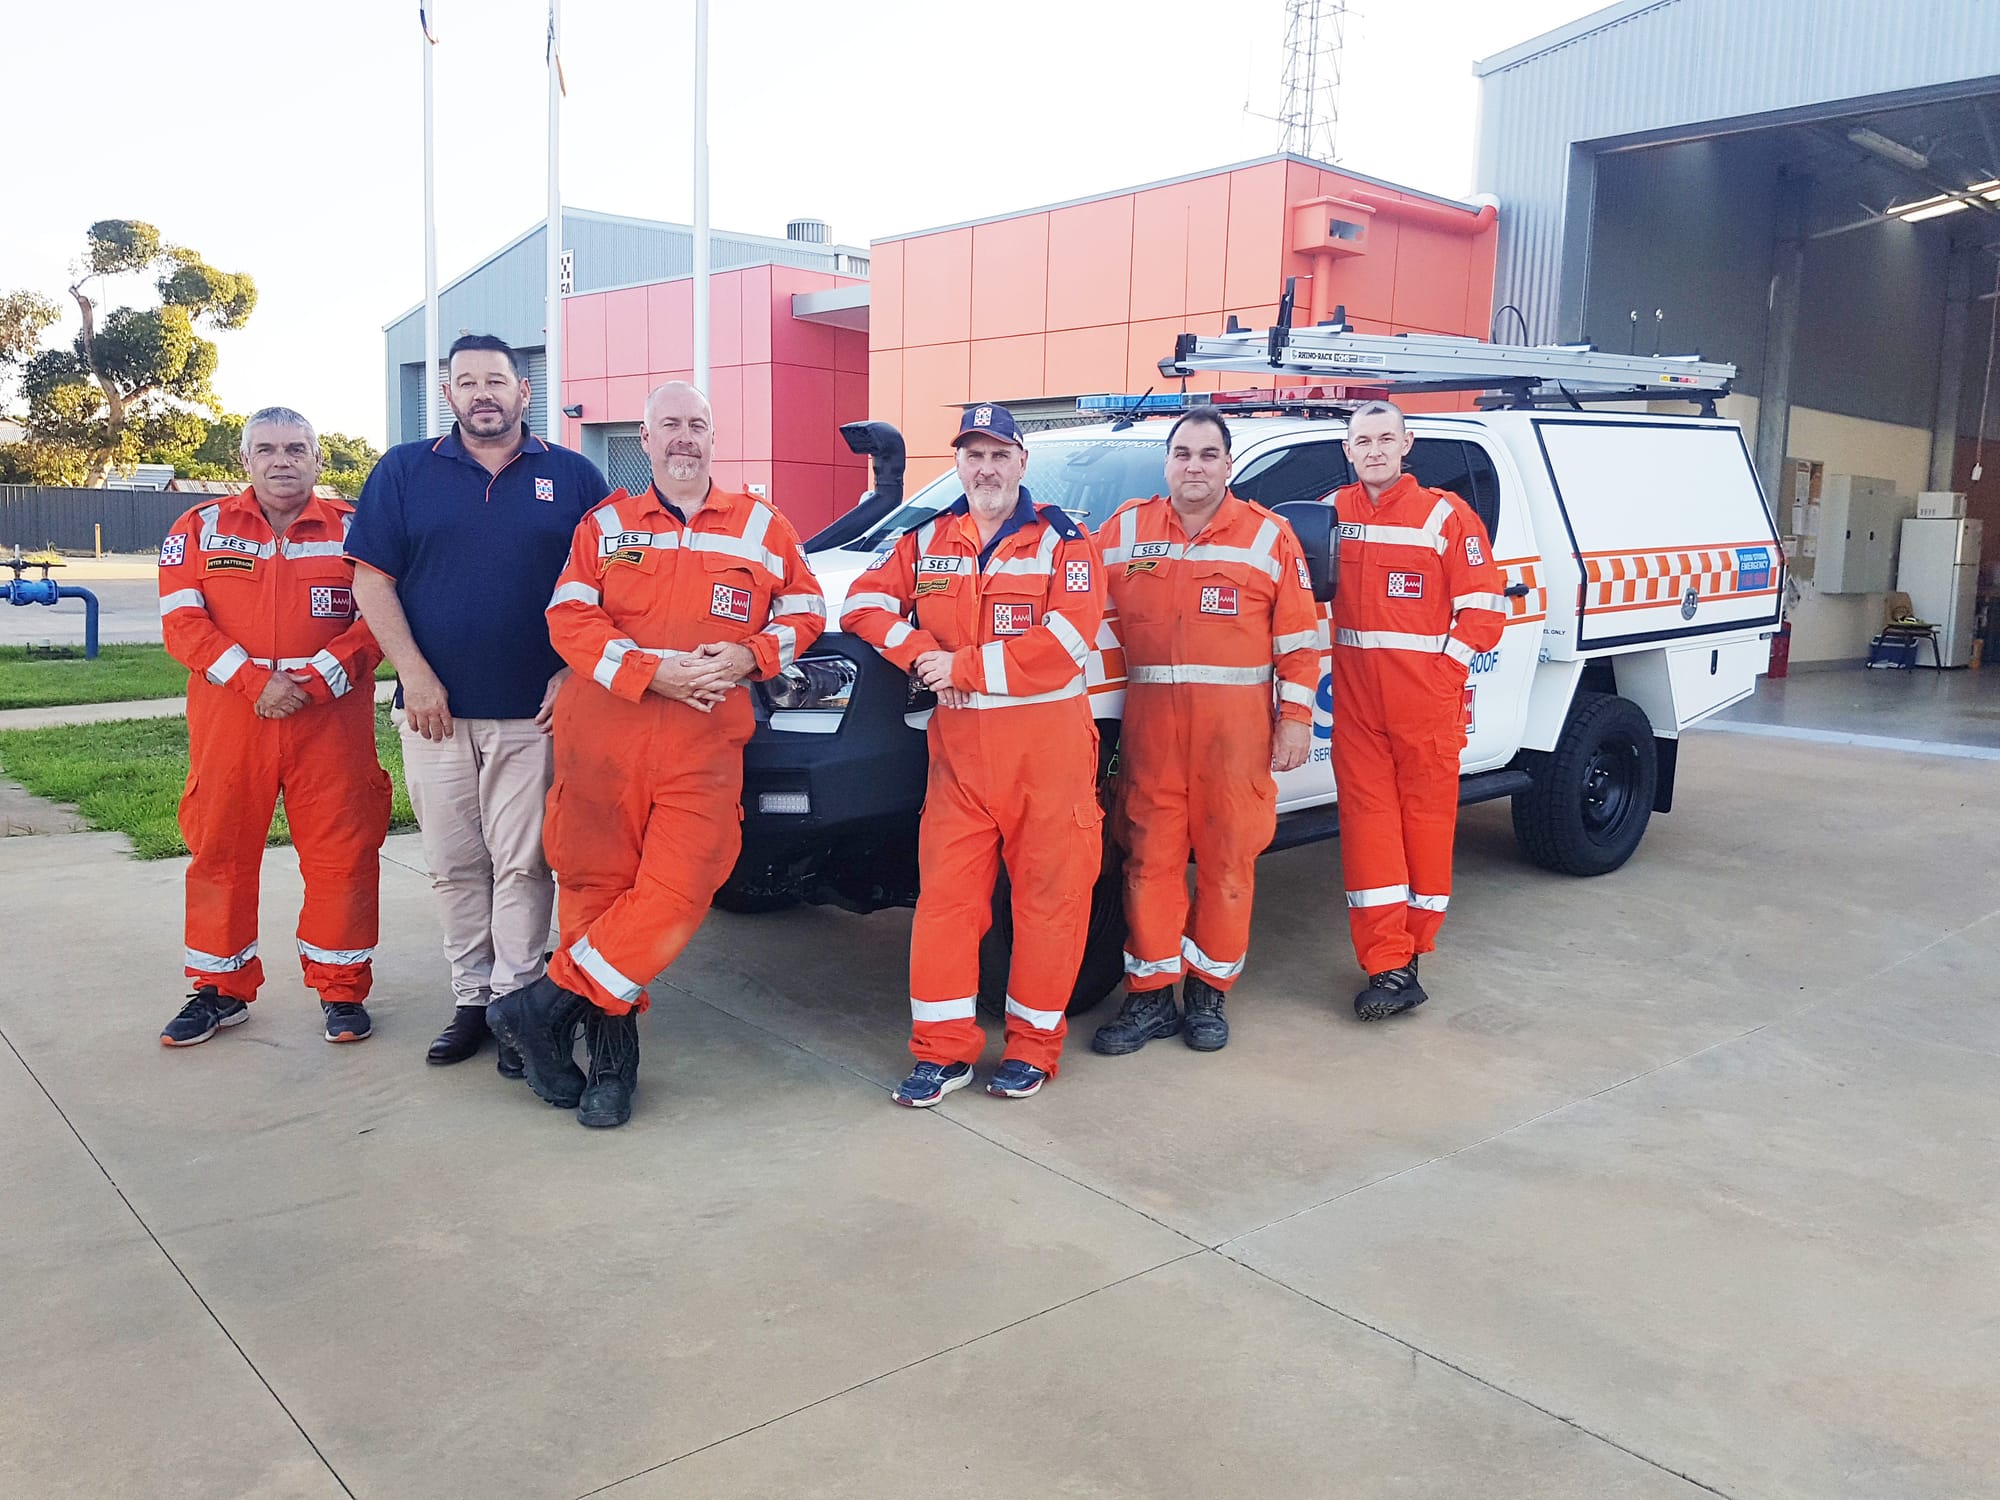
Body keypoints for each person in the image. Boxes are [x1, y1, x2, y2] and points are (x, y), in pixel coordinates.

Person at [486, 382, 825, 1128]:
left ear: (713, 438)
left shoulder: (761, 527)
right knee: (595, 899)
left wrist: (751, 657)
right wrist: (651, 671)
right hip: (603, 739)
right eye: (668, 424)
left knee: (681, 887)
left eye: (696, 425)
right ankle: (611, 1066)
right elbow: (568, 616)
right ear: (644, 439)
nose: (683, 438)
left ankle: (541, 1007)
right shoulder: (604, 524)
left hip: (702, 745)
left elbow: (806, 609)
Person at [347, 333, 611, 1076]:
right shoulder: (404, 472)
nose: (483, 393)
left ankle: (517, 1003)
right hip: (434, 711)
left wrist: (573, 671)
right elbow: (372, 581)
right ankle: (471, 1002)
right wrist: (415, 675)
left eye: (497, 380)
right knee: (455, 864)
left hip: (535, 712)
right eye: (467, 382)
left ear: (524, 392)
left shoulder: (575, 476)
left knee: (525, 864)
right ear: (449, 395)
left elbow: (616, 585)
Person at [840, 402, 1105, 1106]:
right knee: (946, 907)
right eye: (973, 455)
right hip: (958, 761)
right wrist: (919, 649)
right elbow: (863, 604)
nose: (985, 468)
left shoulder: (1066, 544)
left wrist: (956, 670)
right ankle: (943, 1052)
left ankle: (1034, 1049)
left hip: (1046, 756)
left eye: (998, 454)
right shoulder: (927, 540)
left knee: (1050, 905)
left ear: (1022, 462)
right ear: (958, 463)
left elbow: (1065, 647)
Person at [1090, 406, 1321, 1056]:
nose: (1194, 465)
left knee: (1227, 869)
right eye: (1183, 453)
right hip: (1151, 739)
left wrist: (1295, 718)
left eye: (1208, 454)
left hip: (1235, 743)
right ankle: (1150, 1000)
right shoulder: (1126, 529)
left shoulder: (1268, 535)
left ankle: (1208, 996)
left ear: (1227, 464)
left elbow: (1301, 643)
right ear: (1168, 463)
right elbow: (1075, 600)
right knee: (1148, 867)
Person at [157, 408, 391, 1047]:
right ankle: (218, 989)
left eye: (296, 449)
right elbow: (183, 623)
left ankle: (342, 990)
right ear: (245, 461)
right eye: (267, 449)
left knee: (343, 854)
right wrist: (256, 684)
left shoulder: (356, 528)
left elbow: (383, 618)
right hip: (234, 723)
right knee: (220, 852)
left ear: (319, 459)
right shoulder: (197, 528)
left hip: (331, 726)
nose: (281, 461)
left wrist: (314, 682)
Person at [1327, 399, 1505, 1019]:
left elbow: (1487, 608)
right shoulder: (1331, 513)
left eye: (1385, 438)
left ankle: (1415, 949)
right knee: (1369, 834)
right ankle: (1388, 967)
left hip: (1425, 705)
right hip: (1356, 708)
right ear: (1346, 451)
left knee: (1425, 832)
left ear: (1407, 445)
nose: (1373, 450)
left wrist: (1445, 673)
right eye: (1361, 441)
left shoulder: (1445, 515)